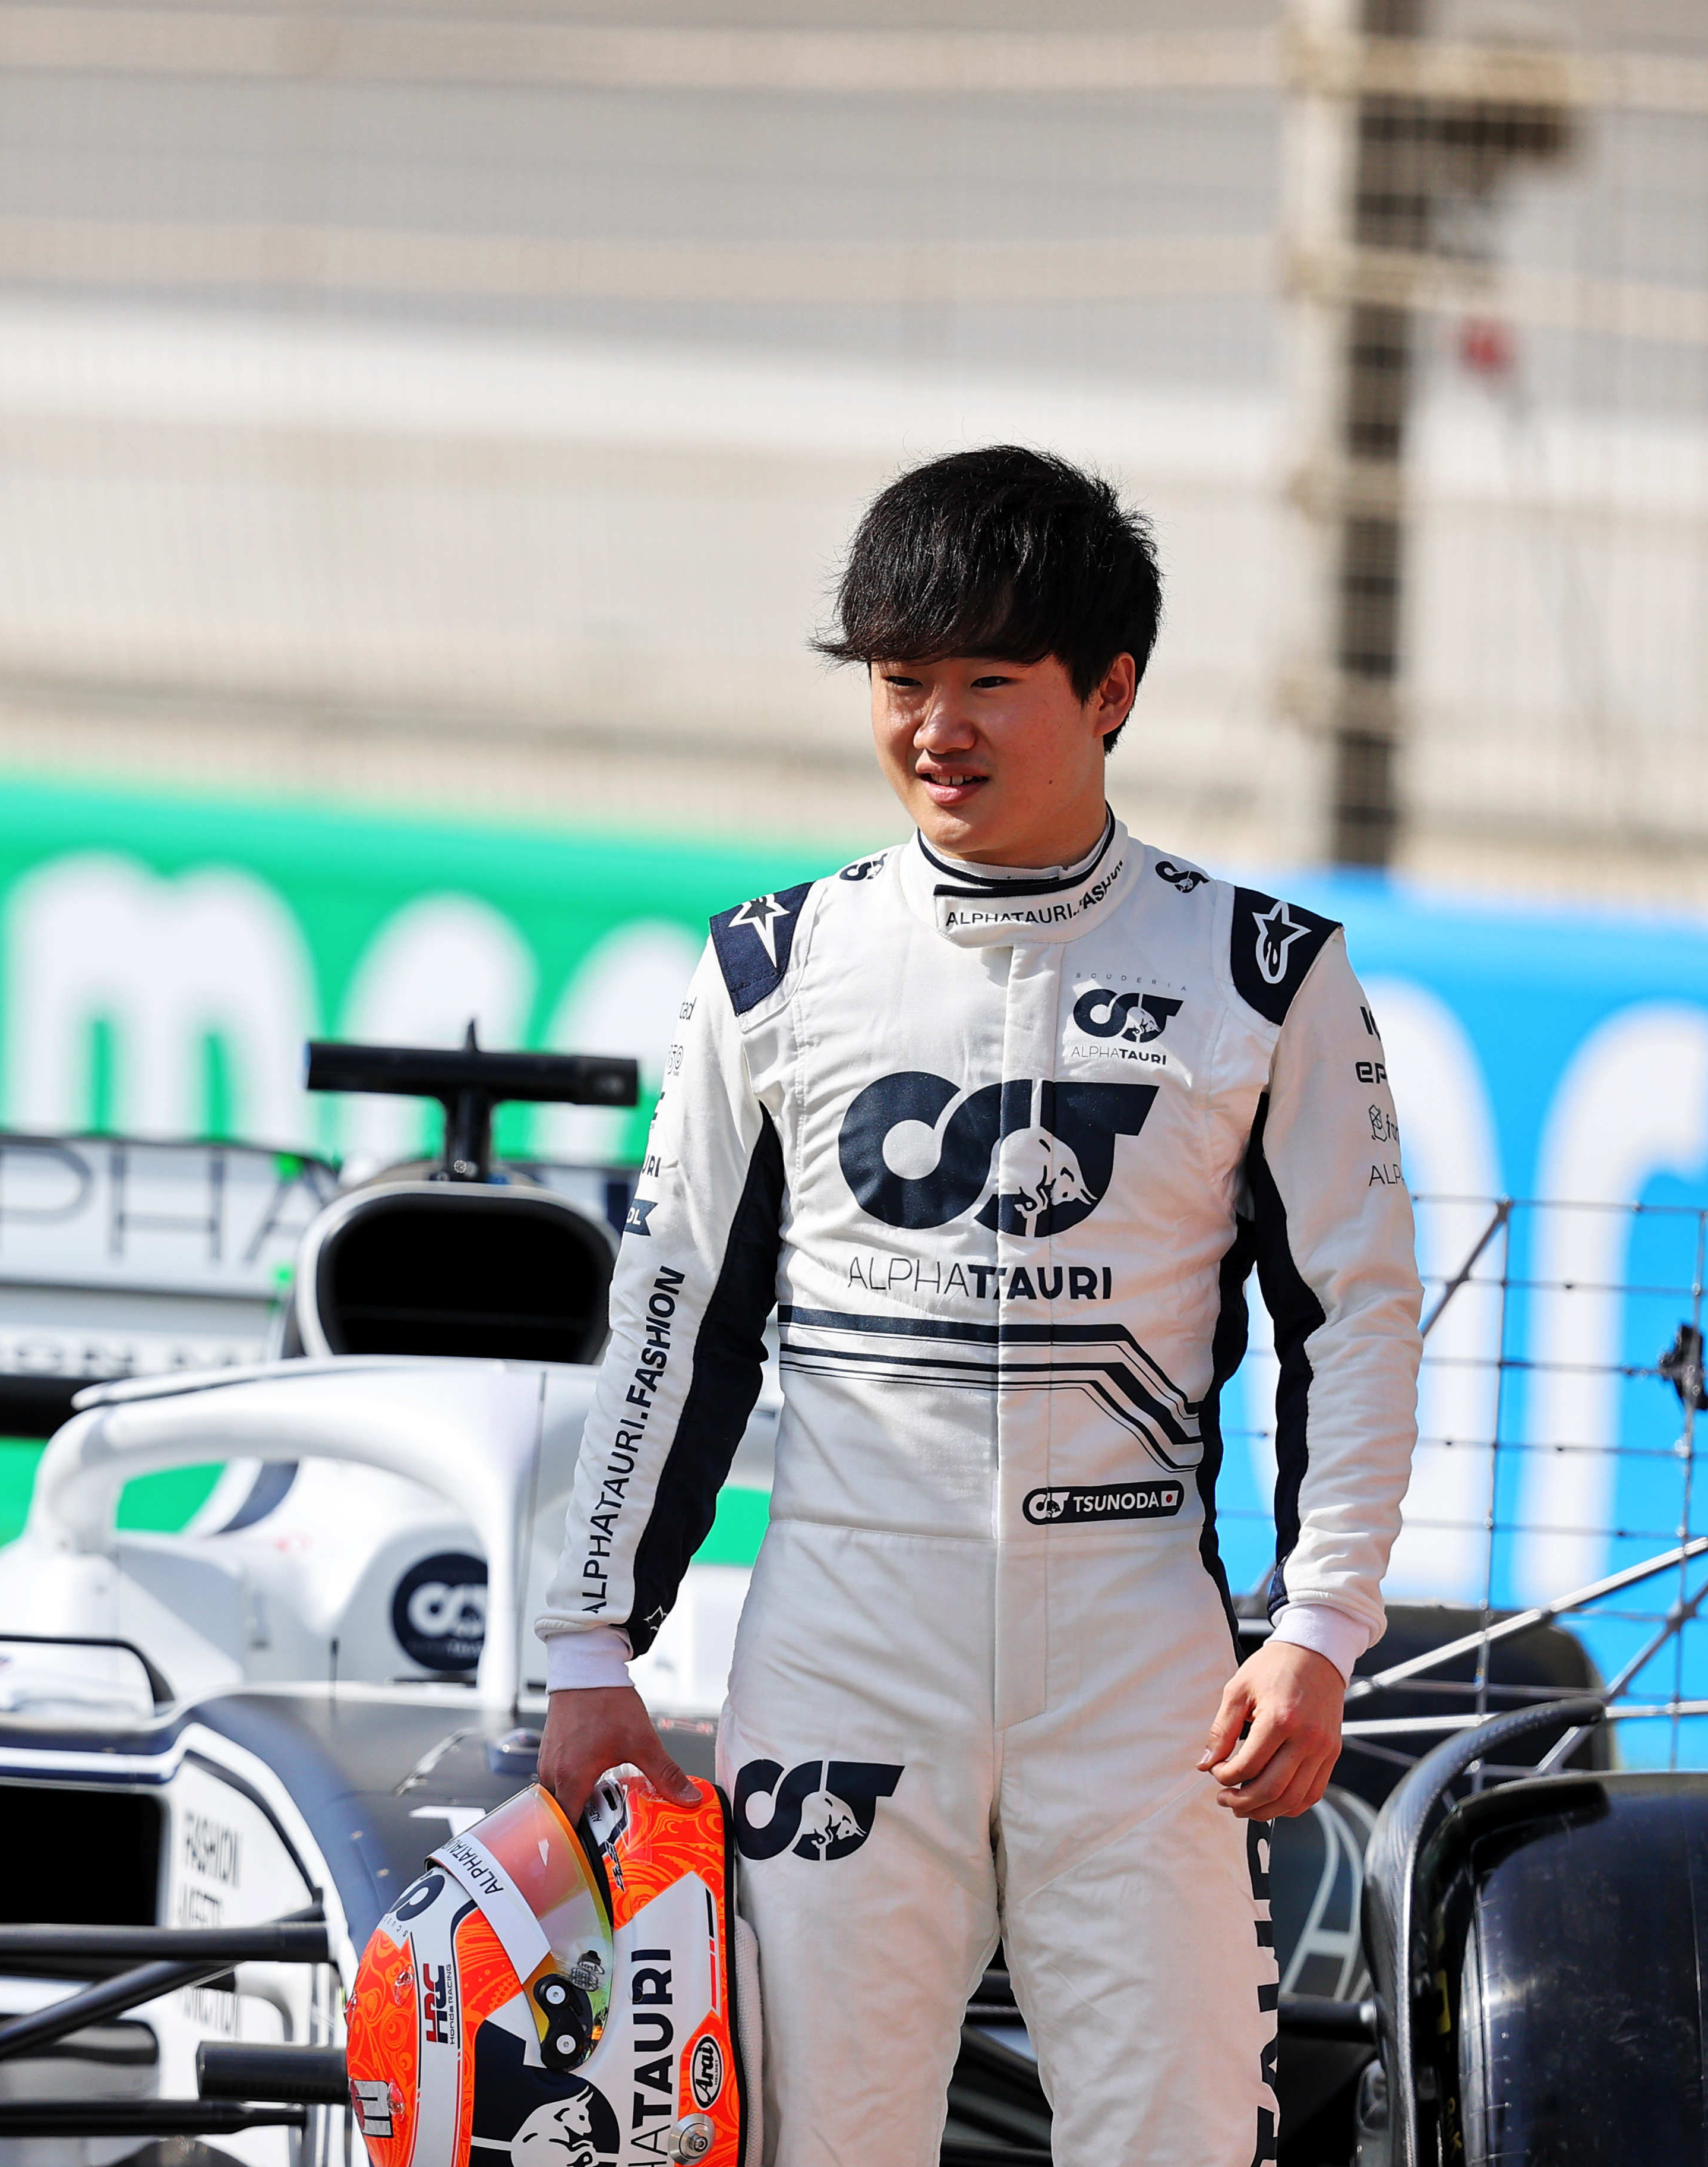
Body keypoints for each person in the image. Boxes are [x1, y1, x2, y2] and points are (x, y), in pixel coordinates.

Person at [533, 447, 1417, 2166]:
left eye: (989, 683)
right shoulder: (775, 966)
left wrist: (1321, 1626)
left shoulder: (1267, 975)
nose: (937, 725)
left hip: (1144, 1665)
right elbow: (674, 1314)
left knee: (1175, 2142)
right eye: (900, 679)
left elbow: (1359, 1316)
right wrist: (591, 1641)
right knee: (809, 2143)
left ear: (1110, 693)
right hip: (847, 1646)